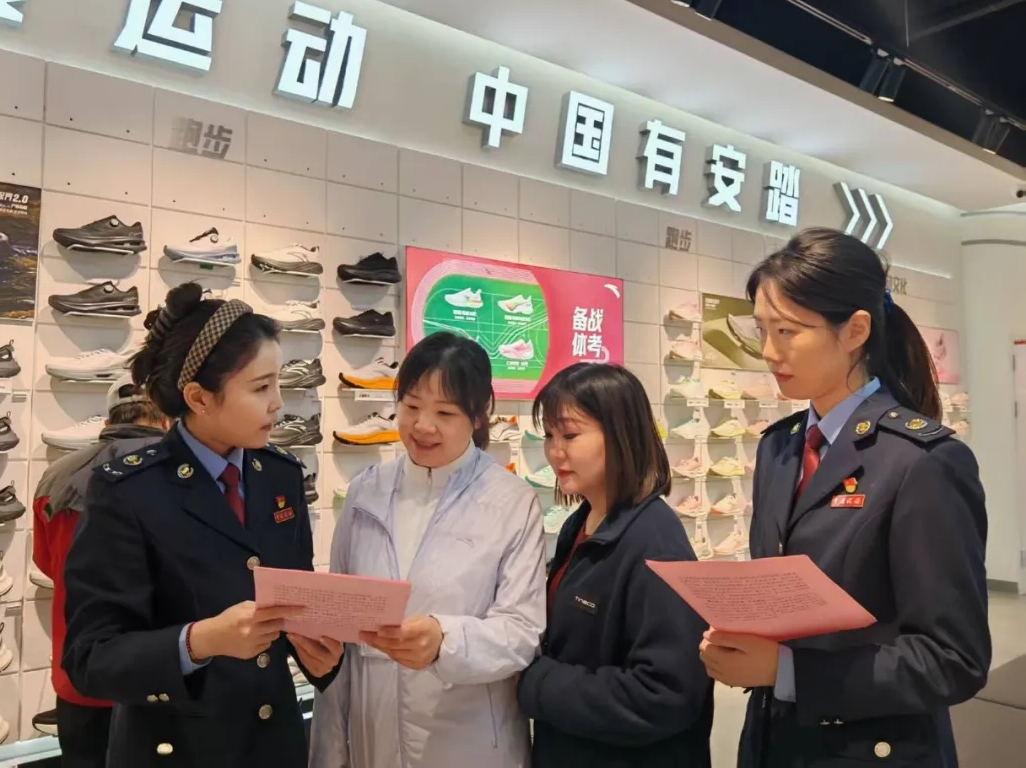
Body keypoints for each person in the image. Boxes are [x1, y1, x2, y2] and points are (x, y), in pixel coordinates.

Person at [699, 228, 989, 768]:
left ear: (855, 330)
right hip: (774, 742)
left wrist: (787, 671)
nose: (769, 352)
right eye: (761, 330)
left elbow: (953, 659)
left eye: (787, 331)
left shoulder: (922, 462)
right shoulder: (778, 447)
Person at [62, 283, 343, 768]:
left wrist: (319, 656)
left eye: (278, 383)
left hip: (274, 746)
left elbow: (291, 601)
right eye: (260, 388)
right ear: (199, 397)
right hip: (179, 749)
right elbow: (90, 659)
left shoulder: (280, 476)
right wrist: (199, 641)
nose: (278, 404)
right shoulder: (128, 490)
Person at [310, 331, 546, 768]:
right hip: (374, 740)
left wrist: (445, 642)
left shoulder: (511, 502)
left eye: (445, 412)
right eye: (411, 405)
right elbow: (341, 633)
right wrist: (330, 755)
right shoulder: (365, 493)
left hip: (471, 744)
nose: (422, 426)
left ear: (480, 415)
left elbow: (521, 632)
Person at [516, 362, 713, 768]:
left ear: (621, 434)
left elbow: (664, 694)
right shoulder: (581, 523)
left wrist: (535, 682)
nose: (555, 451)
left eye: (570, 435)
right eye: (549, 435)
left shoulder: (655, 543)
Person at [31, 375, 171, 768]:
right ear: (165, 420)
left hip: (79, 679)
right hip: (161, 680)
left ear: (107, 422)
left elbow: (47, 565)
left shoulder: (56, 476)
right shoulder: (186, 474)